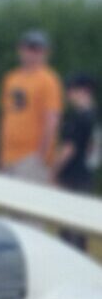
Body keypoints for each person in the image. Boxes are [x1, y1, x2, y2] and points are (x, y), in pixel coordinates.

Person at [0, 28, 62, 184]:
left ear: (45, 53)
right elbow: (6, 117)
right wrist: (1, 154)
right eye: (30, 48)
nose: (33, 54)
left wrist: (41, 156)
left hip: (30, 156)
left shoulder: (48, 80)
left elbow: (51, 120)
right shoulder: (11, 78)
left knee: (25, 203)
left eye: (38, 50)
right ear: (21, 49)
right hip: (9, 155)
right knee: (6, 204)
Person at [55, 73, 96, 251]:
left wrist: (53, 170)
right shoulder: (96, 117)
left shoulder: (80, 118)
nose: (68, 93)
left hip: (72, 176)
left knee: (68, 227)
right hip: (86, 175)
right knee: (79, 226)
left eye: (72, 89)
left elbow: (69, 149)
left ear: (85, 91)